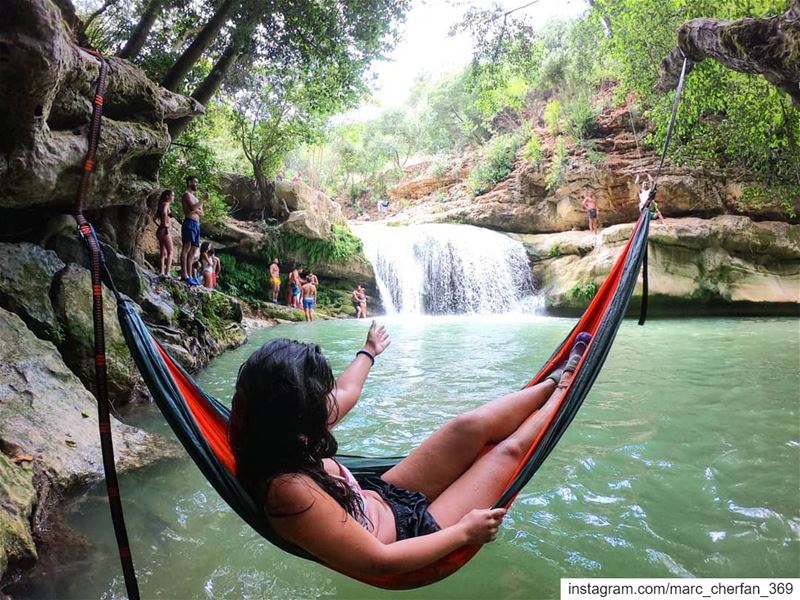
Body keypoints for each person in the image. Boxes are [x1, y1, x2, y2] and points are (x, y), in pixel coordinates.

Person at [228, 324, 592, 577]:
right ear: (294, 409)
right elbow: (379, 561)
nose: (327, 401)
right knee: (506, 454)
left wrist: (369, 351)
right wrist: (465, 532)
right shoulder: (287, 491)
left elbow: (347, 392)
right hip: (412, 537)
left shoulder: (278, 429)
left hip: (386, 495)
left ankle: (549, 384)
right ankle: (565, 390)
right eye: (317, 395)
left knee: (466, 427)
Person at [181, 175, 207, 285]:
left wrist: (196, 207)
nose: (196, 184)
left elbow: (202, 213)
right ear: (189, 182)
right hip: (189, 223)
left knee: (194, 250)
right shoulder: (186, 194)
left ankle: (190, 275)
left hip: (196, 224)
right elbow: (192, 208)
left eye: (197, 182)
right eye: (195, 182)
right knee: (186, 249)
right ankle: (184, 274)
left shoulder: (195, 198)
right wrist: (201, 201)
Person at [155, 189, 174, 277]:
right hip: (165, 230)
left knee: (163, 252)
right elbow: (164, 212)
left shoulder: (161, 205)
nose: (173, 197)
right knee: (170, 251)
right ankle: (167, 272)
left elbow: (154, 218)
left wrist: (160, 224)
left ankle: (161, 271)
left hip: (160, 230)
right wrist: (166, 222)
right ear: (167, 196)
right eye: (172, 195)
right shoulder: (166, 204)